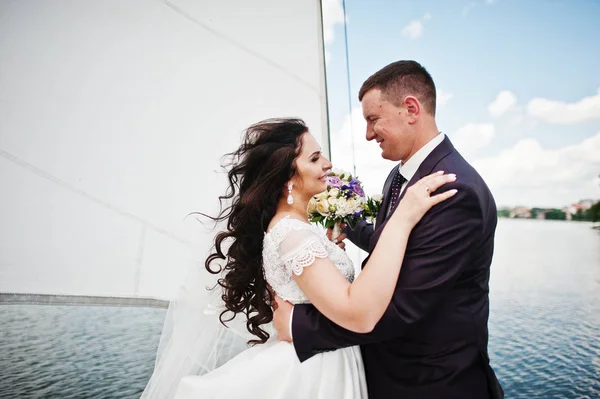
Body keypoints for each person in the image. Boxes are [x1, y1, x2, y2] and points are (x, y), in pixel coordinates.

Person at [141, 117, 456, 398]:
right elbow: (355, 311)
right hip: (315, 371)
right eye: (316, 158)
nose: (328, 164)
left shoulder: (293, 228)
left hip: (325, 354)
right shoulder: (293, 235)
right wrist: (403, 218)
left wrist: (331, 255)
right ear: (287, 179)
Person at [273, 60, 504, 399]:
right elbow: (391, 242)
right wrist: (349, 224)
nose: (368, 134)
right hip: (388, 372)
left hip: (430, 382)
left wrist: (299, 325)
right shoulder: (400, 175)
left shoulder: (453, 190)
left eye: (373, 119)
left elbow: (404, 308)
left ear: (411, 109)